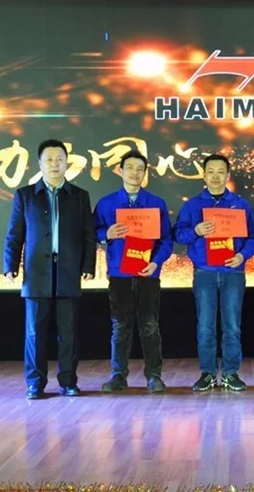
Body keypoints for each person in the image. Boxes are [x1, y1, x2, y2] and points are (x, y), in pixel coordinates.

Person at [3, 139, 96, 399]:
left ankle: (68, 381)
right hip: (36, 272)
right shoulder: (25, 195)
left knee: (69, 333)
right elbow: (14, 234)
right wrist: (10, 265)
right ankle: (35, 383)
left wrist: (88, 265)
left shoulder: (79, 196)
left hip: (68, 270)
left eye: (59, 159)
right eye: (49, 159)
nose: (55, 164)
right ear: (40, 164)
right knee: (35, 332)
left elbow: (88, 235)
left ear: (67, 163)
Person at [173, 154, 254, 392]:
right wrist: (196, 231)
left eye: (220, 172)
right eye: (210, 171)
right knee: (205, 326)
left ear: (227, 175)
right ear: (204, 175)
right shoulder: (192, 206)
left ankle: (231, 373)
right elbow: (178, 235)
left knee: (232, 326)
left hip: (233, 272)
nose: (215, 176)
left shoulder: (240, 204)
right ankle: (208, 373)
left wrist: (242, 255)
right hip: (205, 273)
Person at [93, 150, 173, 394]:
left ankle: (154, 376)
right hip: (120, 274)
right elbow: (92, 232)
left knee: (150, 326)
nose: (134, 173)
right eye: (130, 167)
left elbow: (166, 240)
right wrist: (106, 234)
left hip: (148, 274)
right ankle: (118, 376)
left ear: (145, 173)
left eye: (140, 169)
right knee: (120, 327)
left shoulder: (156, 203)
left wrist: (156, 263)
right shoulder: (106, 203)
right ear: (120, 170)